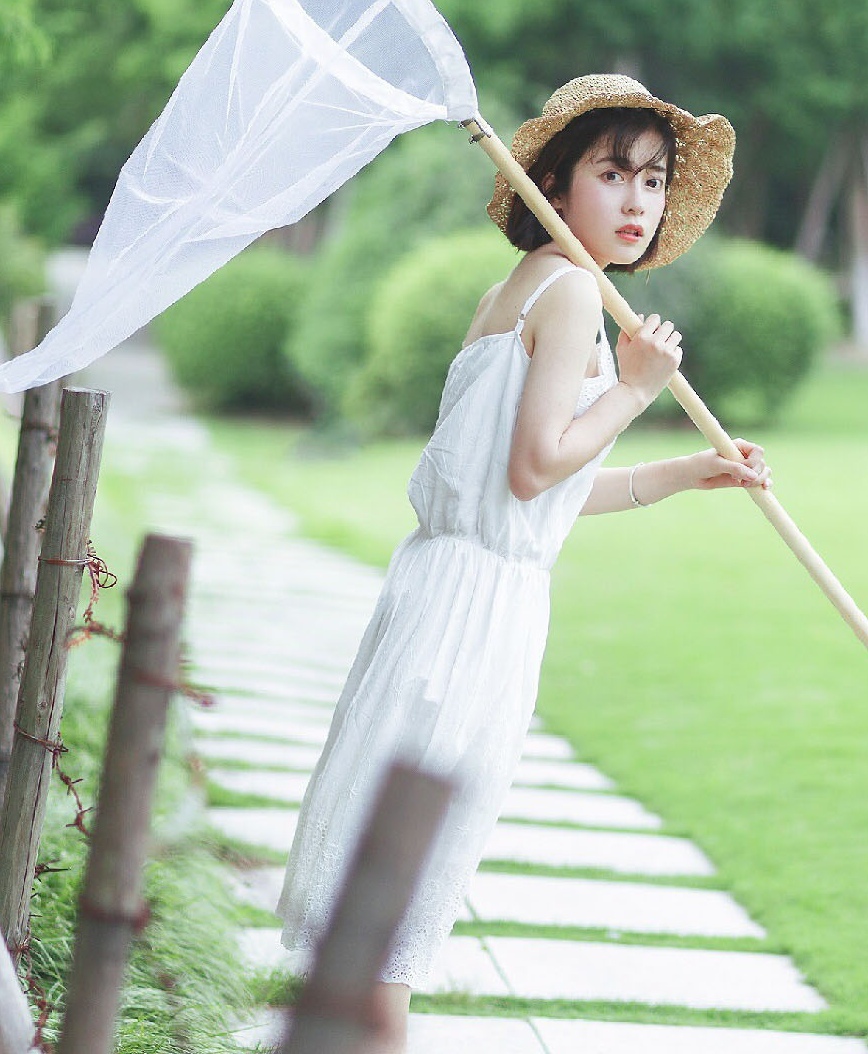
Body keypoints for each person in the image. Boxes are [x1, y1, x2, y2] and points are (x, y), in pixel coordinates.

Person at [275, 74, 771, 1052]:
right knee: (397, 907)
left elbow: (541, 496)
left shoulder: (524, 286)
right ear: (552, 177)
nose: (637, 200)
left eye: (654, 180)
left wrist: (683, 473)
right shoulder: (577, 294)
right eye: (612, 172)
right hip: (469, 621)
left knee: (386, 896)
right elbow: (538, 464)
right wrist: (635, 392)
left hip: (454, 591)